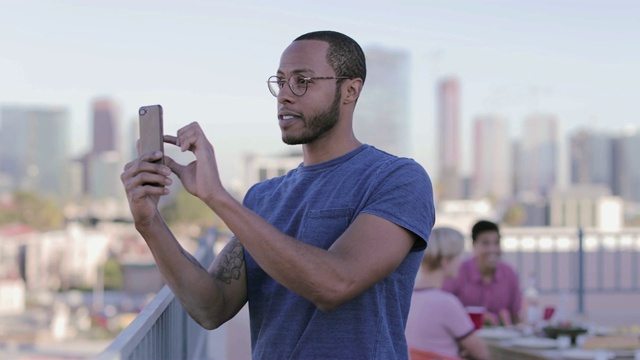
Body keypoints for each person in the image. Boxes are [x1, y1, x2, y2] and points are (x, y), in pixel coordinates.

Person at [121, 30, 435, 359]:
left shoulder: (397, 179)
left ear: (350, 90)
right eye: (280, 81)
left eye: (303, 80)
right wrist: (149, 223)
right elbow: (211, 307)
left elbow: (336, 283)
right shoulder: (263, 197)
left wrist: (217, 197)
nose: (285, 95)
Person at [406, 227, 490, 360]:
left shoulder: (408, 298)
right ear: (445, 262)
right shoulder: (446, 302)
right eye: (459, 256)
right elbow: (482, 353)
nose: (461, 262)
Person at [442, 220, 522, 326]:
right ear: (474, 245)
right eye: (485, 243)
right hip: (462, 337)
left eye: (496, 243)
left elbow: (516, 316)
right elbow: (442, 308)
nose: (492, 249)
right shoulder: (459, 271)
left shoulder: (509, 273)